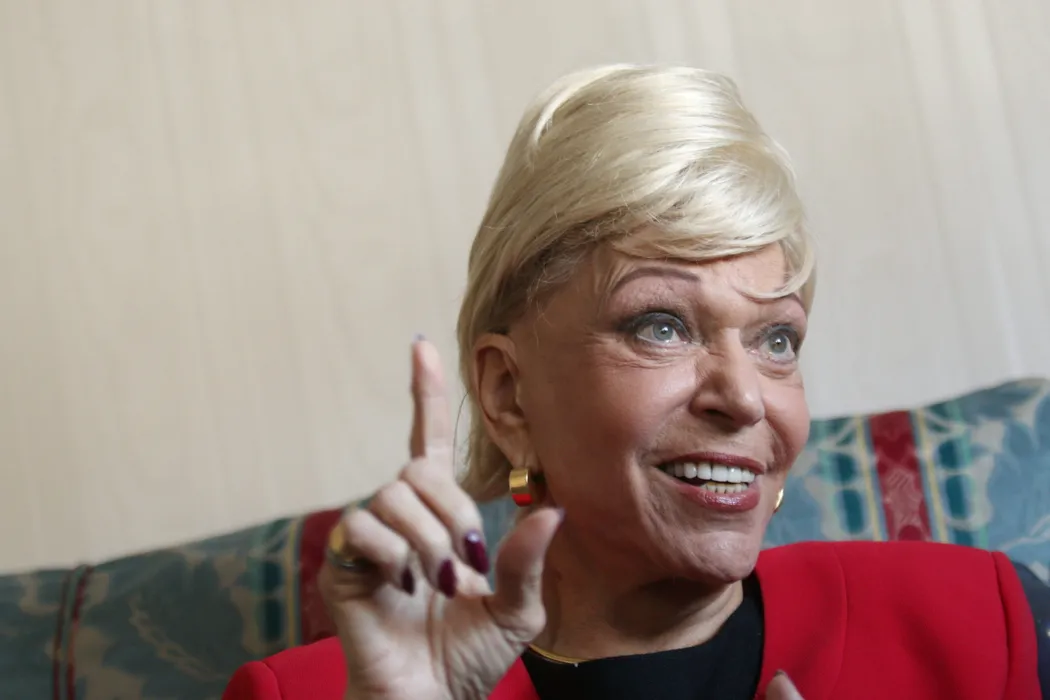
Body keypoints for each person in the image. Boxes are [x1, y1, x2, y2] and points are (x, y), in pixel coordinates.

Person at [222, 65, 1049, 700]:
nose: (745, 397)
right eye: (661, 325)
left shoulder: (989, 624)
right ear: (508, 395)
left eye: (776, 339)